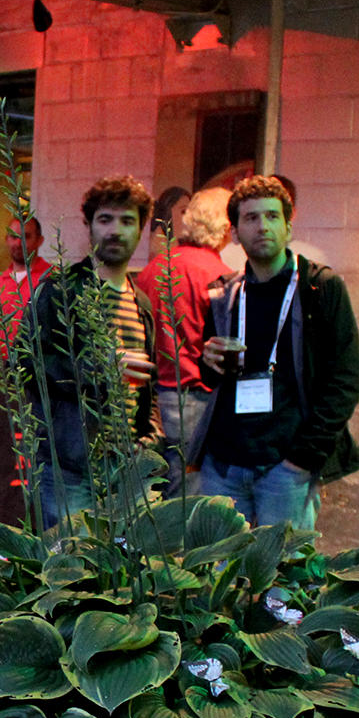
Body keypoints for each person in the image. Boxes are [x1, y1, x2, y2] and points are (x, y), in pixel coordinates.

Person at [193, 175, 359, 528]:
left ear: (288, 226)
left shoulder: (320, 289)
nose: (263, 226)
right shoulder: (224, 295)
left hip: (285, 468)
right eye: (251, 218)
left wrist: (302, 459)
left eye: (272, 216)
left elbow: (346, 381)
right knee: (217, 579)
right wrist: (207, 363)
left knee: (283, 580)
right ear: (235, 232)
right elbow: (212, 379)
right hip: (223, 465)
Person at [24, 175, 158, 526]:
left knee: (127, 574)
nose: (115, 230)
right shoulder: (61, 290)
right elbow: (26, 363)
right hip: (70, 466)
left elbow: (148, 384)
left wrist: (150, 438)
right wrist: (96, 367)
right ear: (89, 225)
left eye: (127, 220)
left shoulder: (140, 301)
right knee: (71, 570)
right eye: (105, 219)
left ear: (141, 228)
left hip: (128, 465)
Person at [135, 186, 232, 496]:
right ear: (226, 228)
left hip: (149, 402)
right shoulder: (221, 277)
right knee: (186, 500)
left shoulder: (151, 271)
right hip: (195, 402)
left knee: (150, 494)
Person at [0, 214, 53, 359]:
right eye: (13, 237)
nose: (18, 243)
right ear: (7, 240)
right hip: (2, 372)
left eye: (26, 237)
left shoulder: (53, 278)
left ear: (40, 241)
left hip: (41, 373)